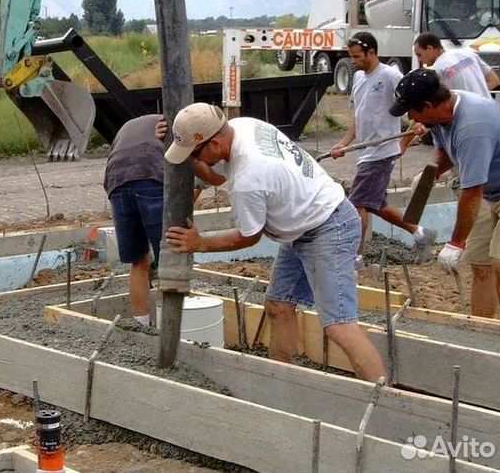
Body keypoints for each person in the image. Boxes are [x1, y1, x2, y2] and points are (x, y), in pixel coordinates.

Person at [164, 102, 386, 382]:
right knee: (278, 306)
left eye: (195, 154)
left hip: (330, 227)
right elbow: (219, 174)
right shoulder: (243, 126)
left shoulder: (249, 178)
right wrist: (191, 160)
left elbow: (249, 236)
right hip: (303, 222)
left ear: (216, 144)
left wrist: (201, 243)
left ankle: (385, 402)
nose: (192, 160)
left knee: (339, 326)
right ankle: (282, 382)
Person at [389, 68, 500, 319]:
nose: (410, 116)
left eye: (412, 110)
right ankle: (482, 329)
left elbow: (472, 192)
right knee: (480, 263)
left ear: (428, 105)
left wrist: (455, 243)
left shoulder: (473, 125)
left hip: (493, 190)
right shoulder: (442, 115)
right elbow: (445, 152)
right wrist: (430, 175)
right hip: (491, 191)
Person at [104, 115, 224, 326]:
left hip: (116, 180)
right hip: (152, 174)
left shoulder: (139, 124)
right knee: (169, 258)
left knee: (138, 260)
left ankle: (141, 324)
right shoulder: (186, 132)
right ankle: (167, 327)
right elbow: (209, 180)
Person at [329, 32, 436, 268]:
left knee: (357, 203)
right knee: (375, 204)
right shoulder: (357, 78)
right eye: (351, 56)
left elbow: (414, 105)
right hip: (365, 152)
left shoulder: (389, 75)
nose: (354, 61)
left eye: (357, 56)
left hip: (382, 151)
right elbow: (359, 116)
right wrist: (344, 144)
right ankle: (420, 232)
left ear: (371, 52)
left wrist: (407, 139)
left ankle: (355, 258)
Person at [403, 32, 500, 153]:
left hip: (469, 128)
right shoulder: (468, 53)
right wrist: (476, 91)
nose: (419, 60)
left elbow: (423, 110)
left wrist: (403, 143)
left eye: (419, 55)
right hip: (492, 119)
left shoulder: (435, 72)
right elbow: (494, 80)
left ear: (430, 48)